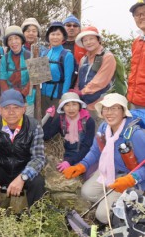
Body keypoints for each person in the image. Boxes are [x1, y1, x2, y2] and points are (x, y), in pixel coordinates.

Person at [62, 93, 145, 224]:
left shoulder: (135, 134)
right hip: (108, 170)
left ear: (123, 111)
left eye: (115, 108)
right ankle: (112, 200)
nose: (109, 113)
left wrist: (132, 179)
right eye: (106, 108)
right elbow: (95, 151)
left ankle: (131, 207)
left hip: (130, 178)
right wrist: (82, 165)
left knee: (102, 215)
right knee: (86, 193)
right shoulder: (104, 127)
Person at [42, 92, 95, 171]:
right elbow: (46, 136)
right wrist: (49, 117)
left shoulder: (88, 121)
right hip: (67, 156)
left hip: (85, 157)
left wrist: (70, 162)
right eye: (67, 105)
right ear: (63, 108)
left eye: (74, 104)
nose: (71, 109)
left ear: (79, 106)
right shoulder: (61, 120)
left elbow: (87, 146)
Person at [75, 26, 116, 124]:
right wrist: (75, 92)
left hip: (101, 106)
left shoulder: (107, 57)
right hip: (85, 104)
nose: (88, 42)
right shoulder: (83, 59)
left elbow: (100, 81)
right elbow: (79, 80)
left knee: (100, 135)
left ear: (98, 40)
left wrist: (81, 92)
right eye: (85, 40)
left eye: (91, 39)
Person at [0, 26, 35, 117]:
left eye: (16, 38)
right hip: (10, 98)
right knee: (12, 121)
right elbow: (2, 79)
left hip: (28, 98)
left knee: (27, 123)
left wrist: (23, 94)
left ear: (21, 40)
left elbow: (33, 79)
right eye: (10, 39)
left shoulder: (31, 56)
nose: (13, 42)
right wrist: (10, 95)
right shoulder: (5, 58)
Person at [41, 21, 74, 116]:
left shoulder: (67, 55)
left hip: (57, 96)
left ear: (63, 37)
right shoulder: (44, 53)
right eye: (53, 34)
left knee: (54, 124)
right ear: (48, 36)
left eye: (58, 34)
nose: (55, 37)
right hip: (42, 96)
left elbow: (68, 78)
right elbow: (40, 76)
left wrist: (63, 97)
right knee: (42, 122)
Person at [127, 0, 145, 109]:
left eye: (144, 13)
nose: (142, 17)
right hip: (135, 101)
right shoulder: (137, 42)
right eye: (138, 15)